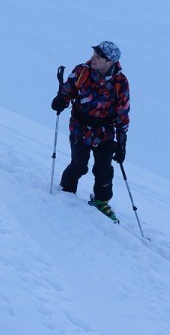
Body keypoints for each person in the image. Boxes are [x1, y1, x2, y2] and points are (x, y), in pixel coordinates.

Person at [51, 41, 130, 217]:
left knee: (104, 170)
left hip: (105, 133)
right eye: (94, 54)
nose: (93, 59)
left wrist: (122, 143)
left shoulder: (120, 82)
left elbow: (122, 114)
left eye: (98, 57)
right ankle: (66, 191)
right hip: (80, 128)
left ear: (110, 62)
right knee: (79, 165)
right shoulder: (82, 71)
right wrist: (61, 101)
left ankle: (101, 202)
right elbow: (68, 89)